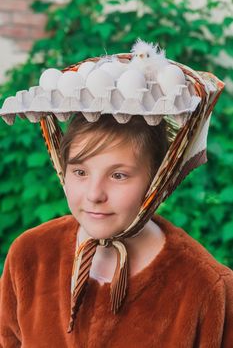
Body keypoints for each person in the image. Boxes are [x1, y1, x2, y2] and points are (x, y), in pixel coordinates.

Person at [0, 40, 233, 347]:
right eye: (80, 172)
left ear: (156, 180)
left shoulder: (205, 287)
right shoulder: (31, 255)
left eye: (119, 175)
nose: (94, 194)